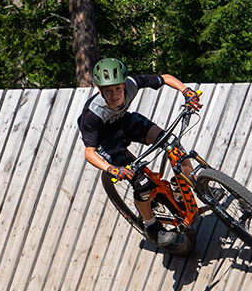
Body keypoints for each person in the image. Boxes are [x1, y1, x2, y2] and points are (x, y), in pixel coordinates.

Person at [78, 57, 197, 251]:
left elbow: (165, 78)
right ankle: (151, 225)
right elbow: (89, 153)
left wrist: (186, 91)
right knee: (141, 183)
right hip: (106, 141)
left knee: (172, 143)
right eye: (108, 91)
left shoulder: (133, 83)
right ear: (100, 91)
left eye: (117, 88)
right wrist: (112, 169)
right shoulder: (92, 115)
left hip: (125, 123)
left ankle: (187, 181)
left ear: (124, 84)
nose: (114, 94)